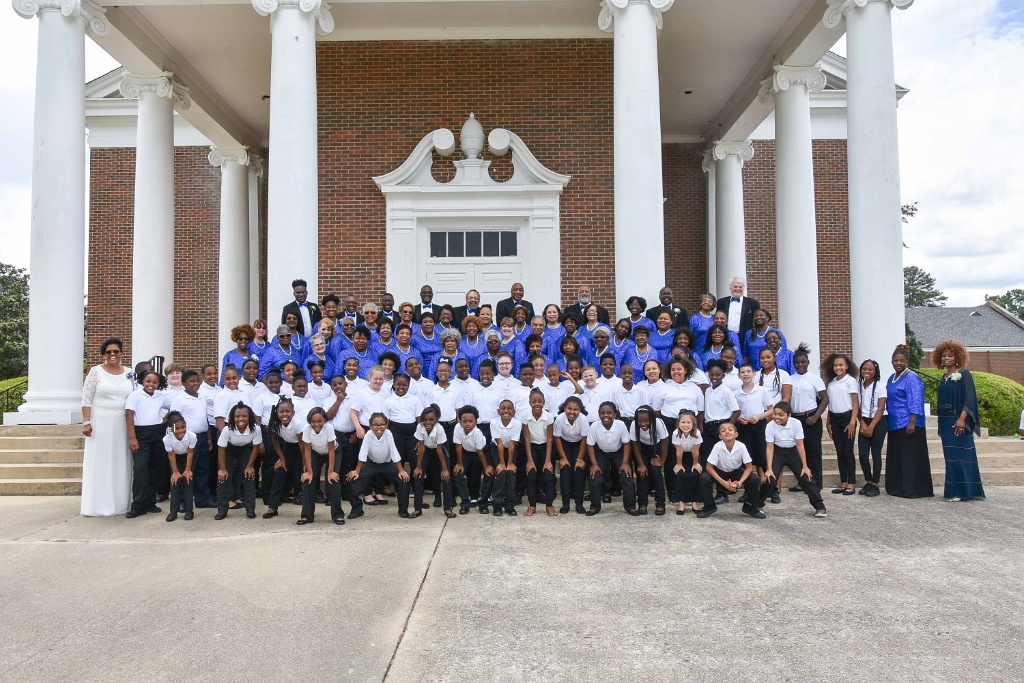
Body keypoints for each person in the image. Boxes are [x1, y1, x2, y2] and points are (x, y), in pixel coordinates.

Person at [81, 338, 135, 517]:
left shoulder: (129, 372)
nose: (113, 354)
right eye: (109, 352)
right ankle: (97, 505)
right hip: (100, 423)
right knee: (101, 462)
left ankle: (121, 504)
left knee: (121, 462)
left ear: (121, 353)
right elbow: (86, 397)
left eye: (116, 351)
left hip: (122, 424)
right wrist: (86, 422)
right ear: (104, 354)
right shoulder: (96, 371)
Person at [933, 340, 986, 502]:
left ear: (957, 357)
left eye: (950, 355)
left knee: (959, 457)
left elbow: (969, 398)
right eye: (944, 355)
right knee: (950, 457)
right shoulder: (944, 377)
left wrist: (962, 419)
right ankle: (958, 490)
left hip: (959, 420)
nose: (946, 358)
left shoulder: (964, 374)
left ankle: (958, 492)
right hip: (945, 421)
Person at [757, 402, 827, 518]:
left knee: (806, 478)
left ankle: (819, 506)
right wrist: (769, 469)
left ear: (789, 415)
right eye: (775, 414)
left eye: (781, 415)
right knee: (770, 478)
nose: (777, 417)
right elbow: (769, 447)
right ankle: (758, 505)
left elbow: (800, 445)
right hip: (777, 452)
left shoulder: (796, 423)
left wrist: (805, 466)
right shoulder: (770, 426)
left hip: (793, 452)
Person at [885, 345, 933, 498]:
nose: (898, 363)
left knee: (909, 458)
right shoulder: (891, 378)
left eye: (902, 360)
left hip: (909, 424)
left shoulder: (912, 378)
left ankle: (912, 489)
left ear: (907, 361)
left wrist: (912, 421)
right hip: (894, 424)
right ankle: (898, 487)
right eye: (895, 360)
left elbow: (916, 400)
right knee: (898, 458)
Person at [346, 413, 412, 519]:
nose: (379, 427)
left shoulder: (388, 434)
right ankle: (357, 510)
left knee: (404, 479)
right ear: (370, 426)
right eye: (375, 425)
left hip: (388, 464)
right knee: (354, 480)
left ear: (386, 425)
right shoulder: (368, 435)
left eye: (382, 424)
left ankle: (403, 511)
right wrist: (357, 471)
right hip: (371, 464)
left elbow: (394, 452)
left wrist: (401, 470)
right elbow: (363, 454)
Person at [125, 370, 170, 519]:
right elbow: (129, 415)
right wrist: (133, 438)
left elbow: (172, 406)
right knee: (140, 469)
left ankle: (150, 502)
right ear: (142, 381)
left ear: (159, 384)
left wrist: (165, 419)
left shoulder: (160, 397)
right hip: (141, 435)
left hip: (157, 433)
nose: (151, 384)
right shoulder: (135, 395)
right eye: (148, 381)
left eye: (155, 382)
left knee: (154, 469)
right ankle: (138, 505)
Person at [696, 421, 763, 519]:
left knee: (754, 479)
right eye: (723, 431)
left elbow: (749, 468)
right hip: (719, 471)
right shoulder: (718, 446)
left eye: (730, 430)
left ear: (736, 434)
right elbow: (709, 467)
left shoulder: (741, 446)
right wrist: (723, 483)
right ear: (720, 436)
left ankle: (750, 506)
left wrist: (739, 483)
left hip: (736, 471)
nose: (727, 432)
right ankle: (709, 506)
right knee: (704, 478)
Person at [169, 370, 214, 509]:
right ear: (184, 383)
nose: (195, 384)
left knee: (202, 469)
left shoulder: (201, 397)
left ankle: (202, 500)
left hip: (202, 437)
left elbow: (204, 418)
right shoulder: (179, 399)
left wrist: (208, 438)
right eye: (191, 381)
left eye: (197, 381)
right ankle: (183, 502)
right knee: (187, 470)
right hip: (187, 439)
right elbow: (174, 421)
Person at [214, 401, 261, 520]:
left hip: (245, 449)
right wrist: (222, 469)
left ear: (249, 417)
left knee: (250, 476)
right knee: (222, 477)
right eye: (237, 416)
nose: (241, 419)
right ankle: (222, 510)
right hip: (228, 450)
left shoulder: (256, 429)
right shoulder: (227, 429)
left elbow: (255, 448)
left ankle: (250, 509)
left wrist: (249, 466)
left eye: (244, 416)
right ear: (232, 417)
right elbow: (221, 449)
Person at [789, 344, 827, 491]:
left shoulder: (815, 379)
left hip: (811, 418)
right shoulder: (790, 379)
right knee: (799, 452)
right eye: (797, 362)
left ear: (808, 362)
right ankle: (803, 483)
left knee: (813, 452)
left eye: (803, 362)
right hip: (795, 419)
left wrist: (816, 416)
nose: (800, 365)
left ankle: (816, 483)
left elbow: (825, 399)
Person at [296, 407, 343, 526]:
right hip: (315, 453)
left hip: (333, 452)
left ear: (325, 420)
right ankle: (307, 515)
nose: (316, 424)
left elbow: (331, 450)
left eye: (319, 421)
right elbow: (307, 450)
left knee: (333, 480)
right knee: (308, 480)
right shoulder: (306, 429)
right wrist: (309, 471)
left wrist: (331, 472)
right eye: (313, 421)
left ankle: (337, 514)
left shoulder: (329, 428)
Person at [823, 353, 859, 495]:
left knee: (848, 451)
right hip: (835, 419)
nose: (838, 368)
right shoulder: (832, 383)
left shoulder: (851, 381)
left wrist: (852, 422)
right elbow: (831, 403)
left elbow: (855, 404)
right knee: (839, 451)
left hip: (847, 418)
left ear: (847, 366)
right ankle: (843, 482)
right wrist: (828, 422)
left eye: (841, 365)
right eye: (836, 365)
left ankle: (851, 483)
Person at [413, 405, 456, 518]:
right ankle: (417, 509)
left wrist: (444, 469)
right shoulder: (420, 427)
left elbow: (439, 450)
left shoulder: (439, 429)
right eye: (425, 419)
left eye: (431, 419)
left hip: (440, 449)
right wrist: (419, 467)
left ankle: (447, 508)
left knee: (446, 477)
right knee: (418, 476)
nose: (428, 422)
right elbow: (421, 448)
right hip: (426, 449)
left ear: (437, 419)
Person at [522, 388, 557, 516]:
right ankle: (532, 505)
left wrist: (548, 460)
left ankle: (549, 505)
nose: (537, 404)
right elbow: (526, 439)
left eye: (540, 401)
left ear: (544, 402)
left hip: (546, 447)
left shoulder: (549, 416)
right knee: (531, 475)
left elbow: (550, 438)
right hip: (531, 448)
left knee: (548, 475)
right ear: (529, 402)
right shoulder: (525, 416)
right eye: (534, 401)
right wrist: (530, 461)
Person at [262, 398, 299, 518]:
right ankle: (273, 507)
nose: (284, 414)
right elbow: (275, 441)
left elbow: (304, 446)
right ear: (276, 413)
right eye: (281, 411)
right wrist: (281, 459)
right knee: (279, 471)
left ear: (293, 412)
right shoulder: (274, 424)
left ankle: (307, 510)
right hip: (288, 446)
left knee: (301, 475)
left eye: (288, 411)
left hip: (303, 447)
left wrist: (305, 463)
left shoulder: (298, 424)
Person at [630, 405, 668, 515]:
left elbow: (665, 443)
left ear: (652, 418)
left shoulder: (659, 422)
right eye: (640, 421)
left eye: (646, 421)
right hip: (642, 446)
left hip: (657, 446)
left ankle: (660, 504)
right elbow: (635, 445)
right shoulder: (633, 424)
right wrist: (641, 464)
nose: (643, 424)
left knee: (656, 473)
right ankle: (642, 503)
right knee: (642, 473)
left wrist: (661, 461)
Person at [857, 359, 887, 497]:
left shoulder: (880, 386)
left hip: (878, 421)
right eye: (864, 369)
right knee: (863, 454)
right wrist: (862, 424)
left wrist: (872, 427)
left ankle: (875, 483)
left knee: (875, 453)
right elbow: (856, 406)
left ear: (875, 371)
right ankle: (868, 481)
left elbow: (881, 408)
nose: (867, 371)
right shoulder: (859, 386)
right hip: (864, 419)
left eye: (870, 369)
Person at [162, 411, 196, 522]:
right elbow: (171, 455)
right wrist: (175, 472)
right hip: (175, 458)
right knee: (175, 483)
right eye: (177, 428)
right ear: (171, 429)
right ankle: (173, 511)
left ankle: (189, 510)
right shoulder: (167, 439)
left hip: (187, 458)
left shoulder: (192, 436)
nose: (181, 430)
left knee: (188, 481)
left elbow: (190, 452)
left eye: (183, 427)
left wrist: (187, 470)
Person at [671, 411, 703, 515]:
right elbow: (679, 450)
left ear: (693, 424)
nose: (685, 425)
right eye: (683, 422)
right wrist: (679, 464)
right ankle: (681, 504)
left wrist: (695, 463)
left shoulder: (697, 433)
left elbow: (695, 451)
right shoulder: (675, 433)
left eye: (688, 422)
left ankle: (694, 503)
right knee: (680, 475)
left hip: (694, 456)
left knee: (695, 474)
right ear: (678, 423)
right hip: (680, 456)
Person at [715, 276, 760, 349]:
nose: (738, 289)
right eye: (735, 287)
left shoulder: (753, 303)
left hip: (745, 337)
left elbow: (757, 321)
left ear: (743, 288)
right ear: (730, 288)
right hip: (725, 336)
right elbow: (718, 320)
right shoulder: (721, 302)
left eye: (740, 287)